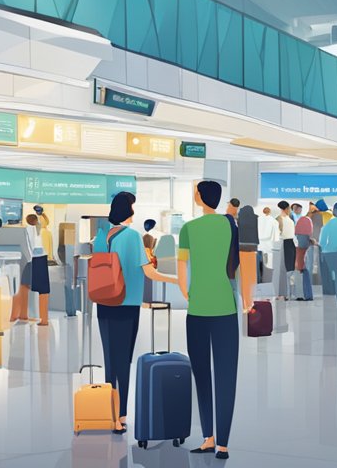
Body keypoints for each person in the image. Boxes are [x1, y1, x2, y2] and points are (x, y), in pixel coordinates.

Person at [93, 191, 180, 434]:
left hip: (103, 302)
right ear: (127, 209)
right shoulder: (131, 237)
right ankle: (120, 416)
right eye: (132, 206)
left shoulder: (101, 236)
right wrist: (177, 281)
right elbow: (149, 273)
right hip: (126, 304)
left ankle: (111, 413)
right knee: (124, 362)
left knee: (110, 360)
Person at [179, 180, 239, 460]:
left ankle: (208, 437)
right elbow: (238, 265)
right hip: (226, 307)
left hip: (198, 310)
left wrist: (188, 295)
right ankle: (223, 444)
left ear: (199, 197)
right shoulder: (230, 225)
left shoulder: (188, 229)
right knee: (226, 376)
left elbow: (182, 271)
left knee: (202, 375)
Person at [25, 213, 51, 325]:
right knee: (42, 289)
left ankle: (43, 319)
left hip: (36, 259)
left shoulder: (32, 230)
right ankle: (43, 318)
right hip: (42, 258)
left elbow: (29, 246)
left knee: (39, 288)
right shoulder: (41, 229)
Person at [293, 203, 313, 301]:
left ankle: (299, 295)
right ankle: (307, 295)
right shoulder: (307, 222)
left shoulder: (299, 222)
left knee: (298, 274)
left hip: (298, 252)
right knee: (306, 274)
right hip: (305, 252)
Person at [276, 202, 296, 301]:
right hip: (290, 244)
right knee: (290, 270)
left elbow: (278, 234)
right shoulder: (290, 220)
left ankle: (283, 294)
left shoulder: (279, 220)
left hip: (283, 244)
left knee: (282, 270)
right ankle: (290, 293)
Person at [256, 206, 277, 290]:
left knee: (259, 266)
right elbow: (275, 234)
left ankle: (259, 283)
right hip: (269, 246)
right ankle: (268, 284)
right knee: (268, 267)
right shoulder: (273, 220)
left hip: (259, 245)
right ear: (269, 212)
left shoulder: (258, 219)